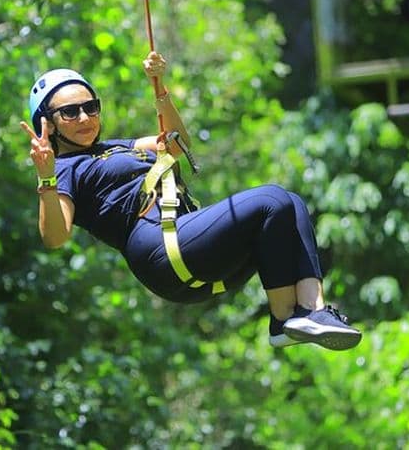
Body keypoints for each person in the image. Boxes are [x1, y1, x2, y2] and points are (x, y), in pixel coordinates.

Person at [20, 52, 362, 350]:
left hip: (186, 249)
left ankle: (305, 313)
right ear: (47, 123)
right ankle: (285, 315)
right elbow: (55, 237)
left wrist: (160, 88)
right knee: (271, 199)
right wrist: (46, 177)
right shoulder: (64, 169)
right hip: (160, 249)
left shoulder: (116, 148)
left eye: (90, 107)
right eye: (69, 112)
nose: (84, 118)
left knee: (291, 203)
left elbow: (177, 140)